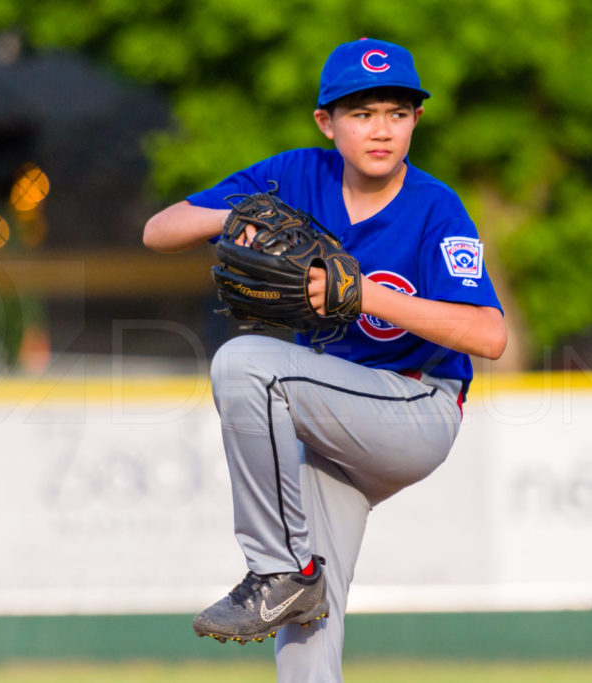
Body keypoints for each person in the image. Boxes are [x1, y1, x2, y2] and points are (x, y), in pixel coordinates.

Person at [143, 37, 506, 683]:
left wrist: (362, 291)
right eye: (362, 113)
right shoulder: (296, 176)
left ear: (416, 121)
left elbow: (489, 335)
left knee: (246, 364)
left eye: (397, 112)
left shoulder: (434, 206)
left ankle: (277, 568)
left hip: (416, 409)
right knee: (306, 631)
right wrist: (238, 221)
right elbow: (160, 229)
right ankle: (291, 577)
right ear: (326, 122)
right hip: (330, 422)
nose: (381, 129)